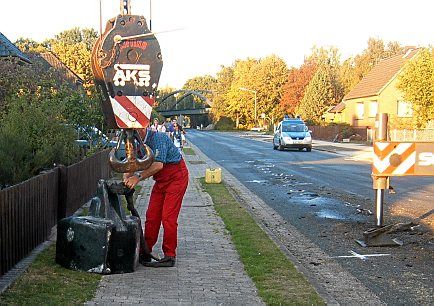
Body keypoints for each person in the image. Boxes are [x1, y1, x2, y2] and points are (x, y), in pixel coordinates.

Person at [123, 128, 189, 267]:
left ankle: (170, 255)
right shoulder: (135, 142)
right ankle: (145, 251)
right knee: (152, 216)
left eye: (137, 129)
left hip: (176, 177)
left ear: (144, 126)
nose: (135, 132)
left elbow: (158, 165)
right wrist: (127, 174)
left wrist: (138, 177)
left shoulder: (158, 138)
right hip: (161, 181)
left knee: (168, 217)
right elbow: (133, 162)